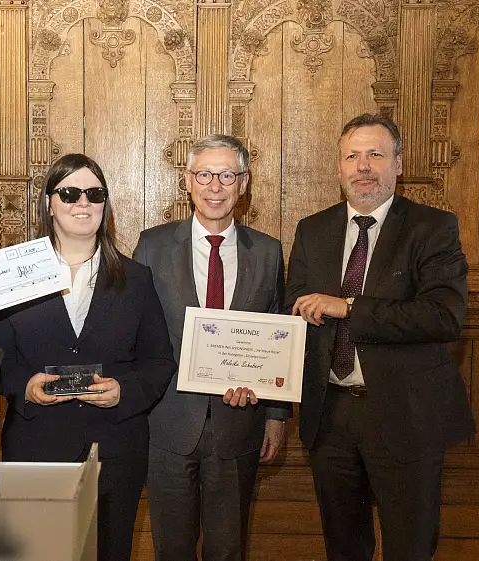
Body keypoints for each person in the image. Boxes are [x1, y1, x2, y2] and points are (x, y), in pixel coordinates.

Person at [285, 113, 475, 560]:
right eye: (352, 155)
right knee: (343, 547)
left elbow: (444, 316)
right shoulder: (312, 230)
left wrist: (349, 307)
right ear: (339, 166)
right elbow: (293, 309)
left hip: (406, 416)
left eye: (375, 154)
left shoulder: (433, 227)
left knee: (409, 546)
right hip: (329, 417)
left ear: (398, 163)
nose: (363, 166)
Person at [0, 154, 176, 561]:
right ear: (49, 203)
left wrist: (124, 390)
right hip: (36, 448)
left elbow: (159, 362)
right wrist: (25, 387)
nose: (82, 203)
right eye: (69, 193)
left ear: (105, 204)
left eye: (94, 194)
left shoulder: (135, 279)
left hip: (114, 451)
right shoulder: (14, 276)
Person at [133, 134, 291, 561]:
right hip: (167, 424)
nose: (215, 186)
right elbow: (134, 331)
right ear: (187, 181)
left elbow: (279, 332)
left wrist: (276, 416)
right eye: (204, 174)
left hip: (239, 424)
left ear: (244, 184)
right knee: (172, 548)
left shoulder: (269, 252)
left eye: (227, 175)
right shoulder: (153, 246)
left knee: (227, 549)